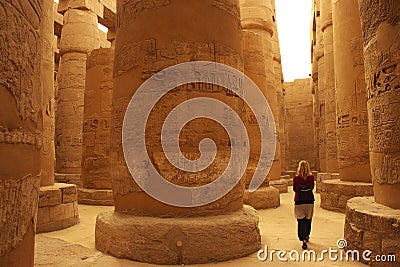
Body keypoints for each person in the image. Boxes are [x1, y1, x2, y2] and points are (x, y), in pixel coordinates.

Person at [293, 160, 315, 249]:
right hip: (309, 200)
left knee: (301, 221)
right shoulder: (311, 177)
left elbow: (295, 189)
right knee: (308, 219)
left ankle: (303, 239)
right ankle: (306, 235)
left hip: (299, 201)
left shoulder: (296, 178)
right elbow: (312, 187)